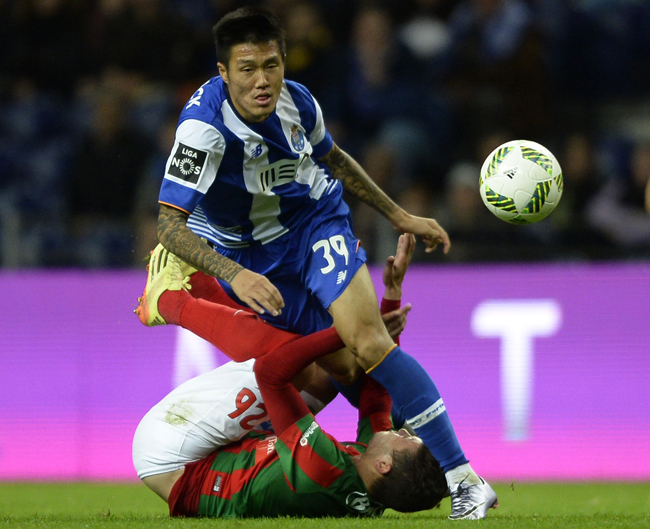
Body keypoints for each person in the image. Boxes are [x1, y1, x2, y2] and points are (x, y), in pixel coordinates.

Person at [148, 6, 494, 519]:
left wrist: (399, 215)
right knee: (350, 366)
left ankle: (463, 477)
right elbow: (168, 226)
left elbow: (333, 159)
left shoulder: (298, 102)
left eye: (271, 65)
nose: (262, 81)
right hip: (256, 257)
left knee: (370, 342)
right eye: (247, 69)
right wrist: (235, 273)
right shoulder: (203, 130)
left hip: (316, 224)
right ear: (223, 73)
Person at [136, 235, 498, 519]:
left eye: (407, 440)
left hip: (174, 458)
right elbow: (376, 394)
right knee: (339, 371)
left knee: (303, 367)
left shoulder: (324, 470)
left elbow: (271, 373)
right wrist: (388, 300)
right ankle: (198, 280)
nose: (404, 430)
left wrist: (348, 330)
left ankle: (168, 301)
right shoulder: (376, 478)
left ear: (385, 465)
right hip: (230, 451)